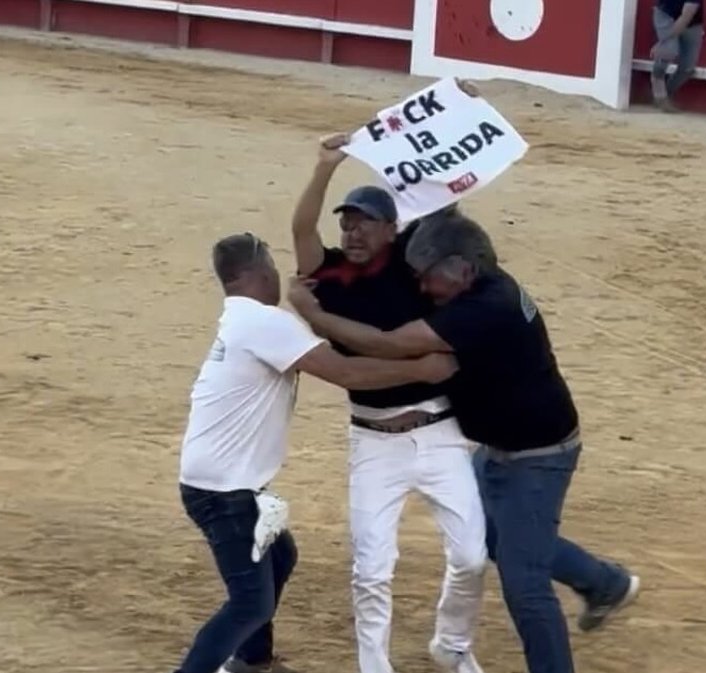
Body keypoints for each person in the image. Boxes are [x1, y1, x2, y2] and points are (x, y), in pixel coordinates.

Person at [286, 210, 641, 673]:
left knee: (524, 583)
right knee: (494, 538)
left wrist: (314, 314)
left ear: (464, 269)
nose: (423, 289)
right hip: (496, 446)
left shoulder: (485, 309)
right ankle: (604, 584)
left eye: (429, 278)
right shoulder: (470, 280)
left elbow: (389, 344)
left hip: (537, 459)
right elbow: (426, 212)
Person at [174, 233, 458, 673]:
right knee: (250, 603)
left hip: (218, 482)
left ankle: (251, 660)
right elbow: (345, 371)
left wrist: (313, 310)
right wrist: (422, 368)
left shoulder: (241, 320)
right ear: (259, 273)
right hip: (224, 492)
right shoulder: (264, 323)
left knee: (279, 557)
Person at [290, 135, 486, 673]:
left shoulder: (410, 266)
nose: (352, 232)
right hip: (373, 440)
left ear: (391, 228)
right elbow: (302, 229)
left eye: (364, 222)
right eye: (347, 223)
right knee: (371, 570)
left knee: (471, 556)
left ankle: (452, 645)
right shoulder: (326, 276)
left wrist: (457, 124)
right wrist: (324, 167)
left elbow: (445, 204)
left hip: (441, 433)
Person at [650, 0, 704, 112]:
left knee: (688, 67)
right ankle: (660, 96)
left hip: (692, 23)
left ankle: (665, 94)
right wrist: (663, 43)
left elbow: (685, 18)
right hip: (666, 15)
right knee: (668, 51)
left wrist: (662, 42)